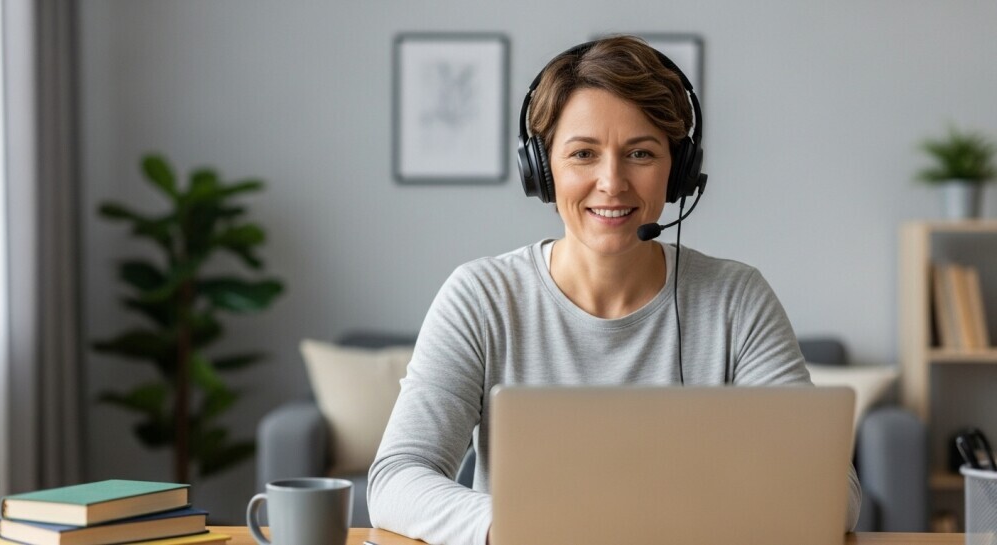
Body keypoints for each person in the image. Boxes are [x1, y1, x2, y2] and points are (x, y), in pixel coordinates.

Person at [368, 35, 861, 545]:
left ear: (679, 172)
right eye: (583, 153)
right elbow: (397, 477)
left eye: (640, 153)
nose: (612, 181)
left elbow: (831, 494)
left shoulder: (737, 299)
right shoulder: (481, 297)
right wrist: (516, 527)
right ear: (542, 170)